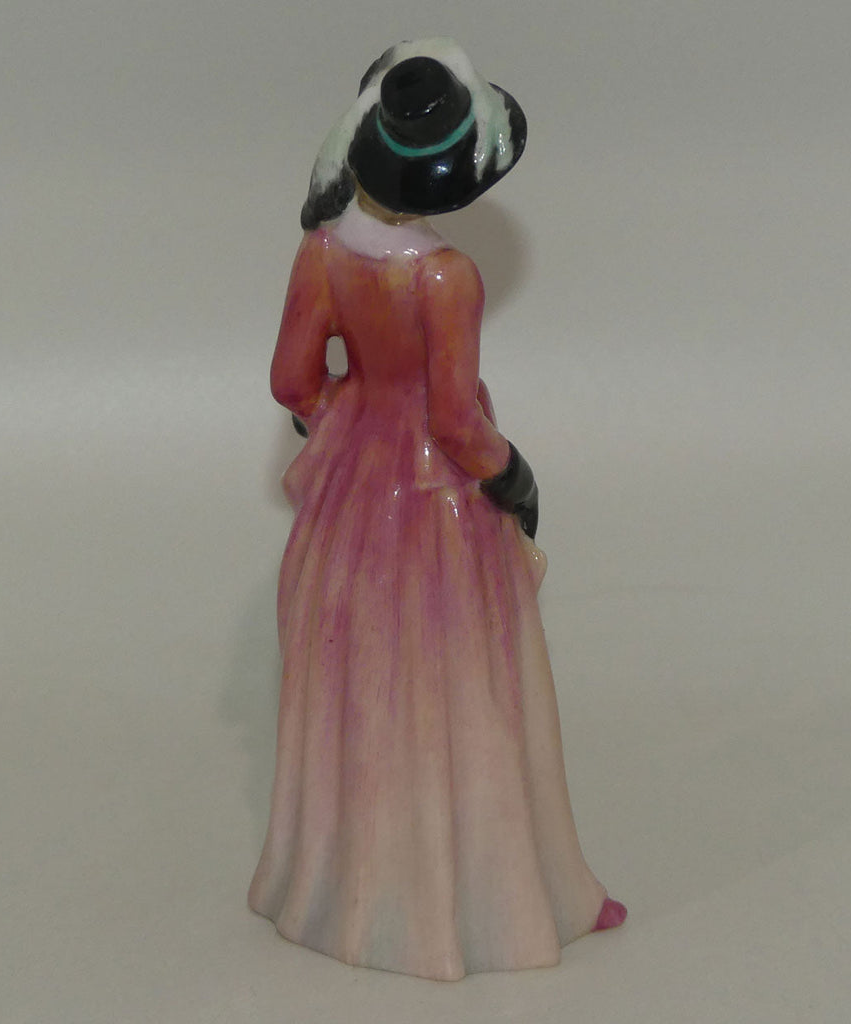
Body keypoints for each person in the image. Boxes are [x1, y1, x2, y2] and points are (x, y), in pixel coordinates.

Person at [248, 39, 625, 981]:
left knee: (363, 685)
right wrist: (516, 477)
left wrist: (350, 427)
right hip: (436, 503)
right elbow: (455, 421)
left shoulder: (322, 253)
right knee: (460, 688)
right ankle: (483, 902)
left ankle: (347, 891)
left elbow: (293, 381)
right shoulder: (444, 277)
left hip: (354, 493)